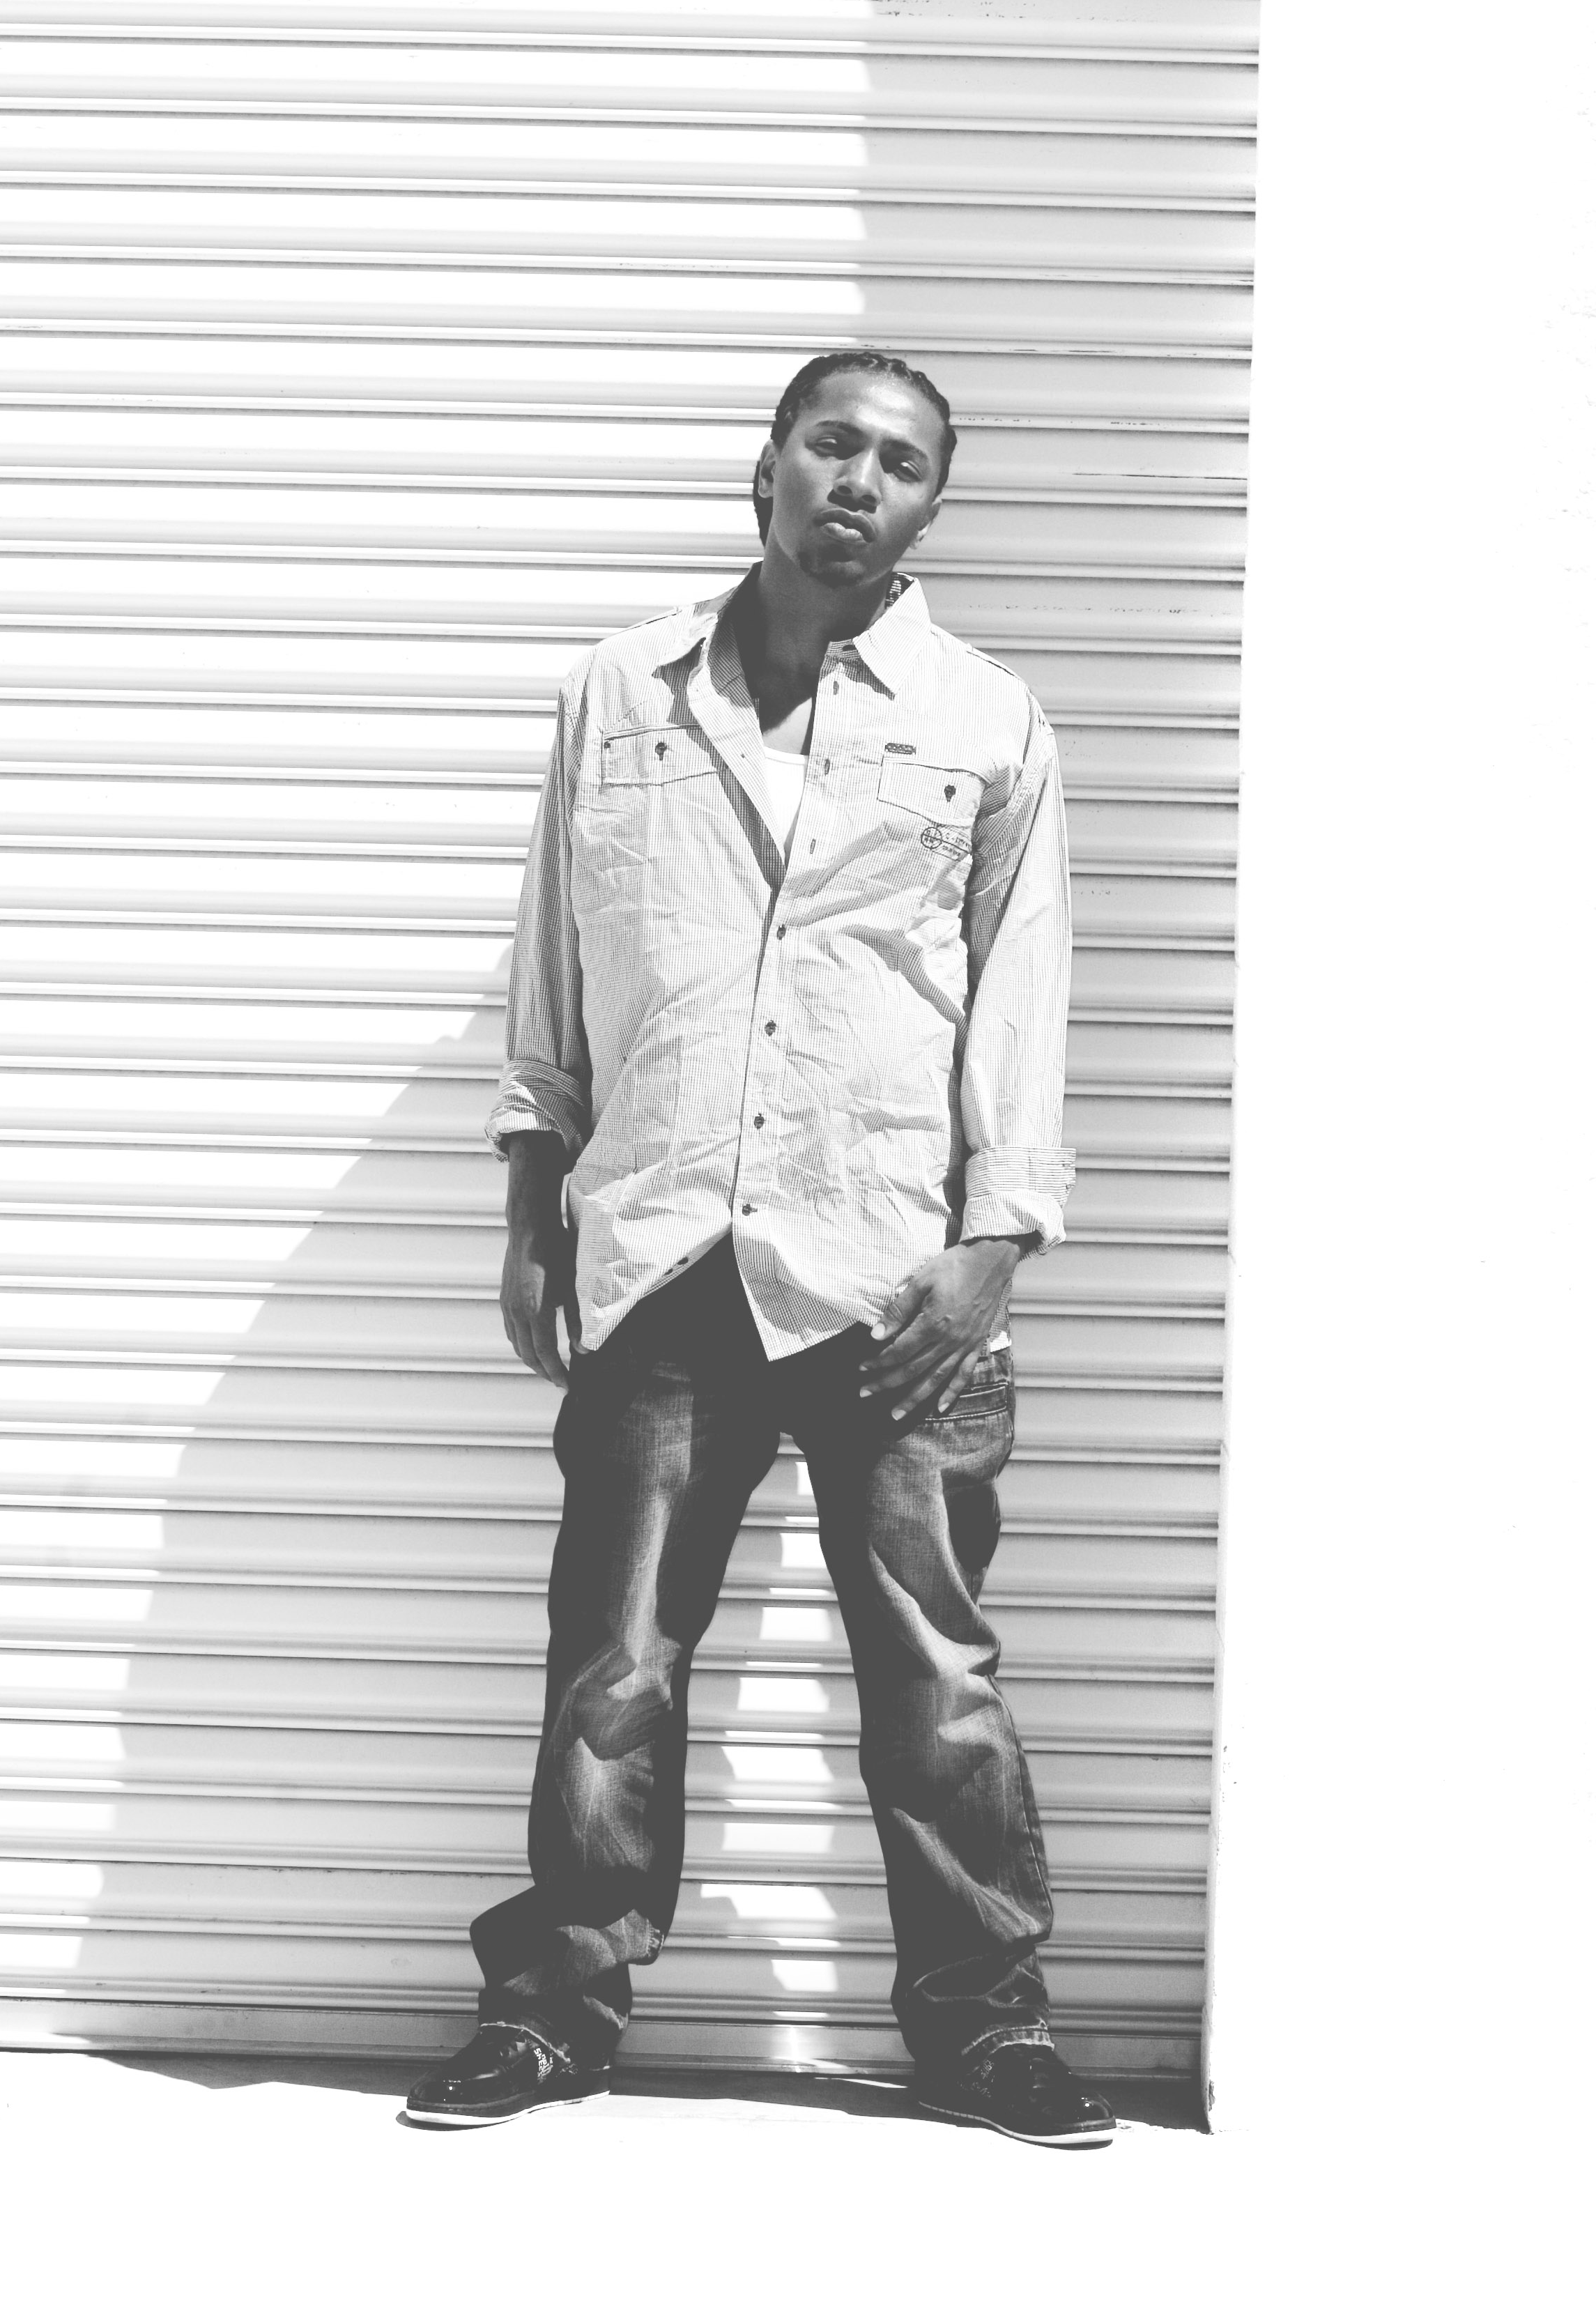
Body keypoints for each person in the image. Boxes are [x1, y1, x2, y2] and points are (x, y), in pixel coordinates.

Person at [406, 350, 1116, 2149]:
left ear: (932, 506)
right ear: (769, 469)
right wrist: (533, 1202)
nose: (861, 480)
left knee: (936, 1676)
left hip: (895, 1272)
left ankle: (987, 2030)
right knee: (615, 1665)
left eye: (903, 461)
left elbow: (1019, 1004)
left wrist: (994, 1246)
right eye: (832, 444)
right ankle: (553, 2012)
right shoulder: (620, 691)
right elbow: (558, 966)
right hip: (661, 1246)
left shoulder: (989, 723)